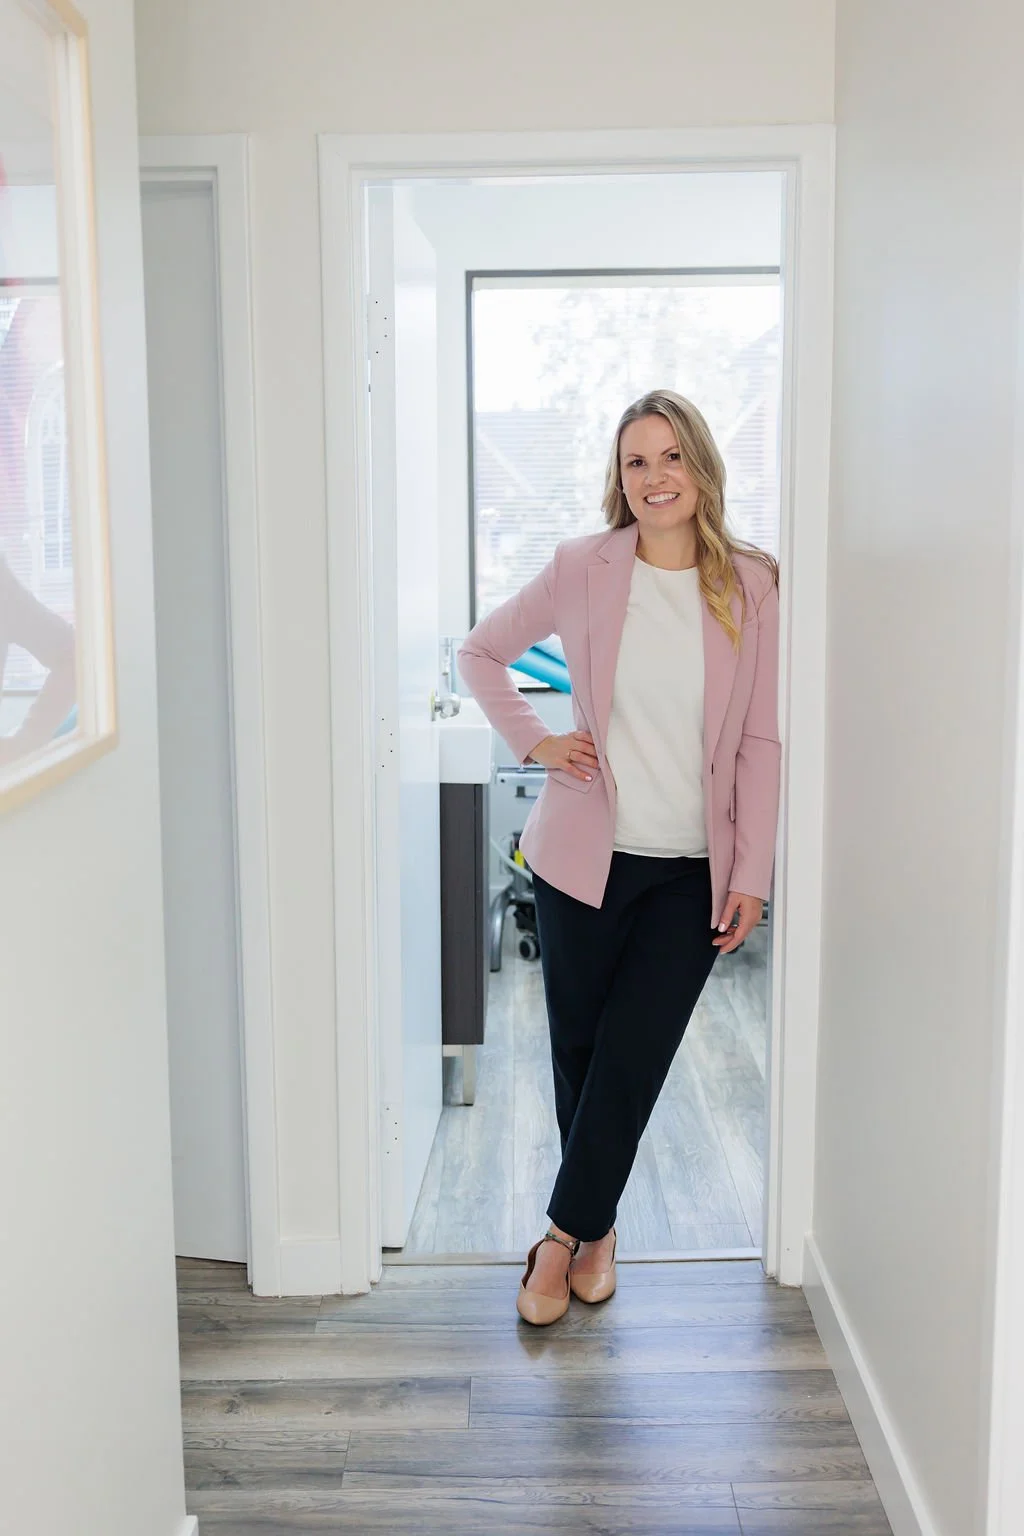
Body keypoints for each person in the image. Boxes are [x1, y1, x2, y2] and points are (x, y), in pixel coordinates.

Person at [456, 388, 781, 1325]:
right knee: (581, 1055)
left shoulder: (752, 584)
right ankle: (596, 1230)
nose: (654, 477)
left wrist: (753, 872)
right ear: (619, 478)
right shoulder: (582, 568)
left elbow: (761, 742)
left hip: (692, 871)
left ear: (702, 467)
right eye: (636, 462)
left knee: (635, 1057)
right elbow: (480, 654)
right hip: (579, 860)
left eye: (670, 456)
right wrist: (536, 740)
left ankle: (556, 1240)